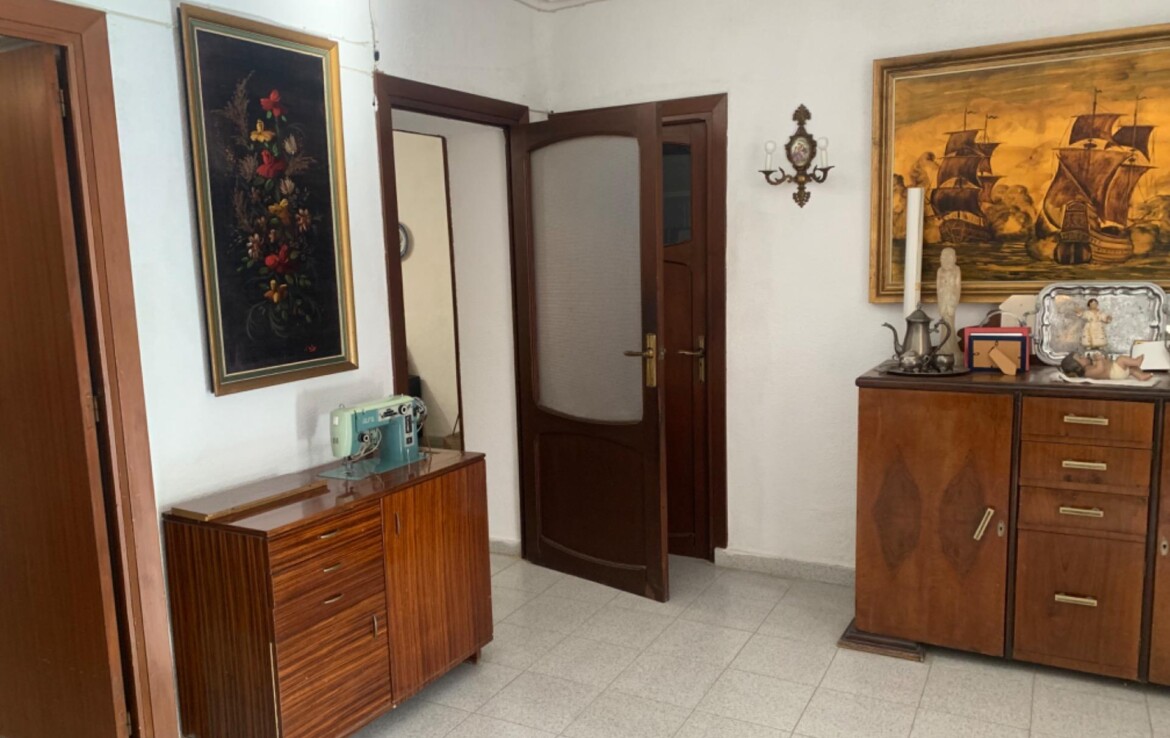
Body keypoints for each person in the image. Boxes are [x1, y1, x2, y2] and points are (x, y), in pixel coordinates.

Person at [936, 247, 961, 357]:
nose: (945, 259)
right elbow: (938, 288)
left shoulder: (956, 270)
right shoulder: (940, 271)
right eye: (943, 257)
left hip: (951, 300)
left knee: (950, 323)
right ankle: (944, 349)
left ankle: (951, 349)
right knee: (944, 324)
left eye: (948, 257)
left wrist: (953, 302)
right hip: (943, 300)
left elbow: (957, 287)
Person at [1060, 352, 1152, 382]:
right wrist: (1099, 360)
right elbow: (1100, 370)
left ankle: (1141, 376)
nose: (1084, 356)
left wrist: (1104, 359)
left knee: (1131, 369)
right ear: (1077, 367)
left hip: (1115, 371)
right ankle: (1136, 362)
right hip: (1115, 373)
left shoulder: (1089, 366)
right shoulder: (1087, 372)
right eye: (1080, 358)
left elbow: (1104, 366)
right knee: (1121, 359)